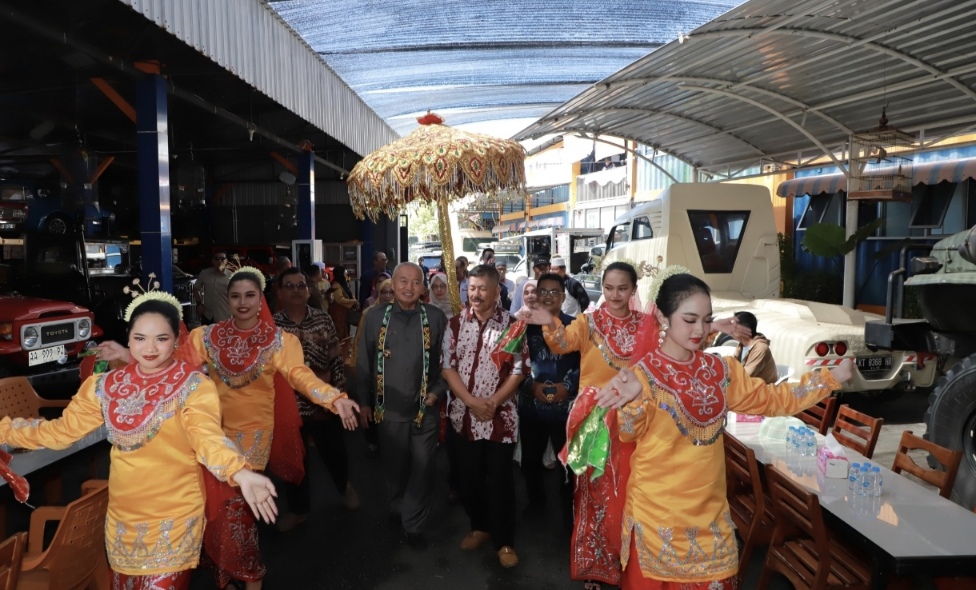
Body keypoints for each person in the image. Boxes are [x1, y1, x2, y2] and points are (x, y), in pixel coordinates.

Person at [593, 270, 852, 589]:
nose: (700, 330)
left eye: (706, 320)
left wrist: (828, 378)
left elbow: (772, 399)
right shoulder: (642, 376)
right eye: (689, 320)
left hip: (710, 517)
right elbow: (628, 433)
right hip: (659, 517)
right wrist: (632, 401)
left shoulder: (720, 370)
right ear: (662, 316)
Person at [2, 293, 277, 589]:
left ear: (176, 341)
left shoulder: (193, 386)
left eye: (161, 338)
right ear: (129, 339)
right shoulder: (104, 386)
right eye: (140, 338)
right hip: (123, 521)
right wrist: (4, 430)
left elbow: (207, 438)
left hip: (174, 518)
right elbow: (60, 433)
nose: (150, 348)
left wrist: (239, 471)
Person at [516, 261, 644, 588]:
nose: (615, 295)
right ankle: (594, 566)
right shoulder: (589, 321)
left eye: (623, 288)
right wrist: (549, 320)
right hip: (594, 419)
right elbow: (562, 344)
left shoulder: (647, 325)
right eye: (609, 288)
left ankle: (629, 562)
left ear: (633, 289)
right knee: (592, 491)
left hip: (635, 420)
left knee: (631, 491)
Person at [356, 263, 449, 546]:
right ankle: (397, 504)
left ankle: (414, 523)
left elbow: (447, 362)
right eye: (403, 281)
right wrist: (364, 403)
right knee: (394, 466)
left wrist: (437, 391)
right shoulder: (375, 317)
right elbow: (364, 362)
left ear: (423, 287)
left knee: (424, 466)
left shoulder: (435, 317)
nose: (409, 287)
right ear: (392, 285)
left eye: (416, 282)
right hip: (389, 409)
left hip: (425, 407)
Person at [442, 264, 525, 568]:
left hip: (500, 417)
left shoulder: (512, 325)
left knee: (500, 480)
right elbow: (447, 366)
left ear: (496, 291)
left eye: (482, 289)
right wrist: (471, 402)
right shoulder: (454, 324)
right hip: (463, 415)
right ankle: (480, 526)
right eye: (472, 288)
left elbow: (519, 370)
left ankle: (504, 542)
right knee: (469, 478)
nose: (475, 295)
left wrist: (491, 402)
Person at [273, 268, 359, 533]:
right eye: (289, 286)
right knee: (295, 461)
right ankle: (299, 511)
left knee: (335, 452)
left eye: (301, 285)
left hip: (324, 403)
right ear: (280, 292)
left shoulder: (322, 319)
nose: (296, 290)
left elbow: (336, 360)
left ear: (309, 290)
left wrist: (340, 395)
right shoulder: (272, 326)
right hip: (289, 406)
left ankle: (344, 485)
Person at [517, 273, 578, 526]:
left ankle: (570, 511)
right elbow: (512, 363)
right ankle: (536, 502)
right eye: (543, 291)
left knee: (569, 464)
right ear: (536, 295)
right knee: (530, 461)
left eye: (555, 292)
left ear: (563, 297)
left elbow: (586, 363)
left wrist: (568, 386)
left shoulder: (576, 326)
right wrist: (531, 386)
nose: (549, 296)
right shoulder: (522, 326)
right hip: (532, 407)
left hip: (566, 410)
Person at [727, 311, 778, 384]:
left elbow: (745, 376)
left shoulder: (760, 349)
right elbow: (733, 366)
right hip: (748, 384)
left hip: (762, 388)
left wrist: (726, 382)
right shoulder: (742, 345)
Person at [193, 250, 233, 324]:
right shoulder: (204, 273)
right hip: (208, 316)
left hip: (225, 317)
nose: (219, 261)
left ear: (226, 261)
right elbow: (195, 289)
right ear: (212, 261)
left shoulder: (232, 276)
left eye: (222, 259)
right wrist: (199, 304)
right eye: (217, 258)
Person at [326, 263, 360, 340]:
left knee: (346, 330)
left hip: (344, 312)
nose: (346, 274)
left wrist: (354, 301)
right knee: (340, 332)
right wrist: (353, 301)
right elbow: (339, 299)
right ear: (340, 273)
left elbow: (350, 294)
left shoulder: (344, 283)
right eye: (345, 272)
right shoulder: (336, 285)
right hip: (338, 313)